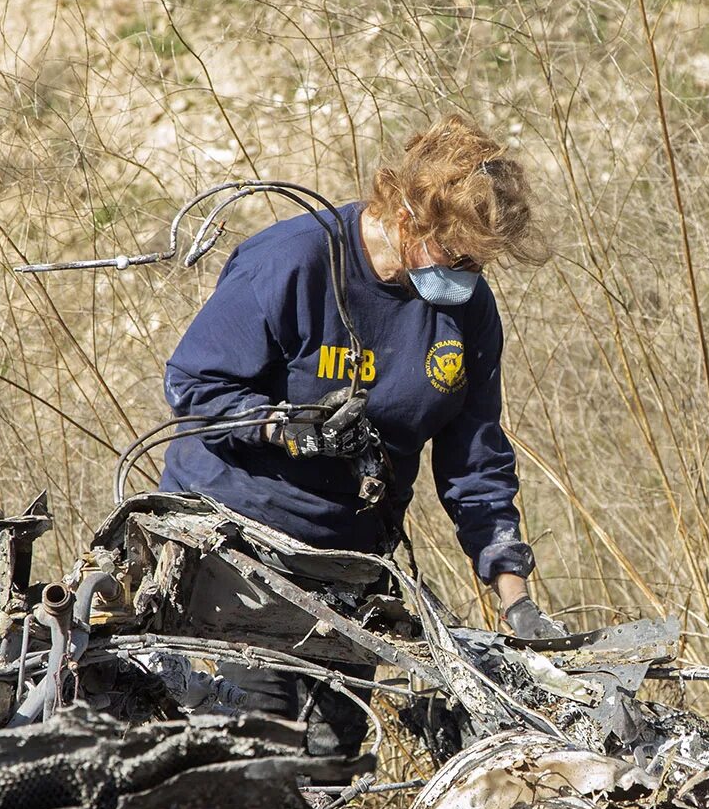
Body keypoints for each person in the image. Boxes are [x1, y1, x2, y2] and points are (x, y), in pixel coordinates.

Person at [158, 114, 565, 750]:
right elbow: (195, 390)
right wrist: (289, 429)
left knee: (333, 760)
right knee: (253, 757)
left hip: (349, 566)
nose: (464, 277)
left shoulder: (466, 310)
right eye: (455, 257)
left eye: (478, 264)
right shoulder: (291, 262)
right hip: (234, 553)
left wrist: (515, 597)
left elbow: (475, 459)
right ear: (410, 216)